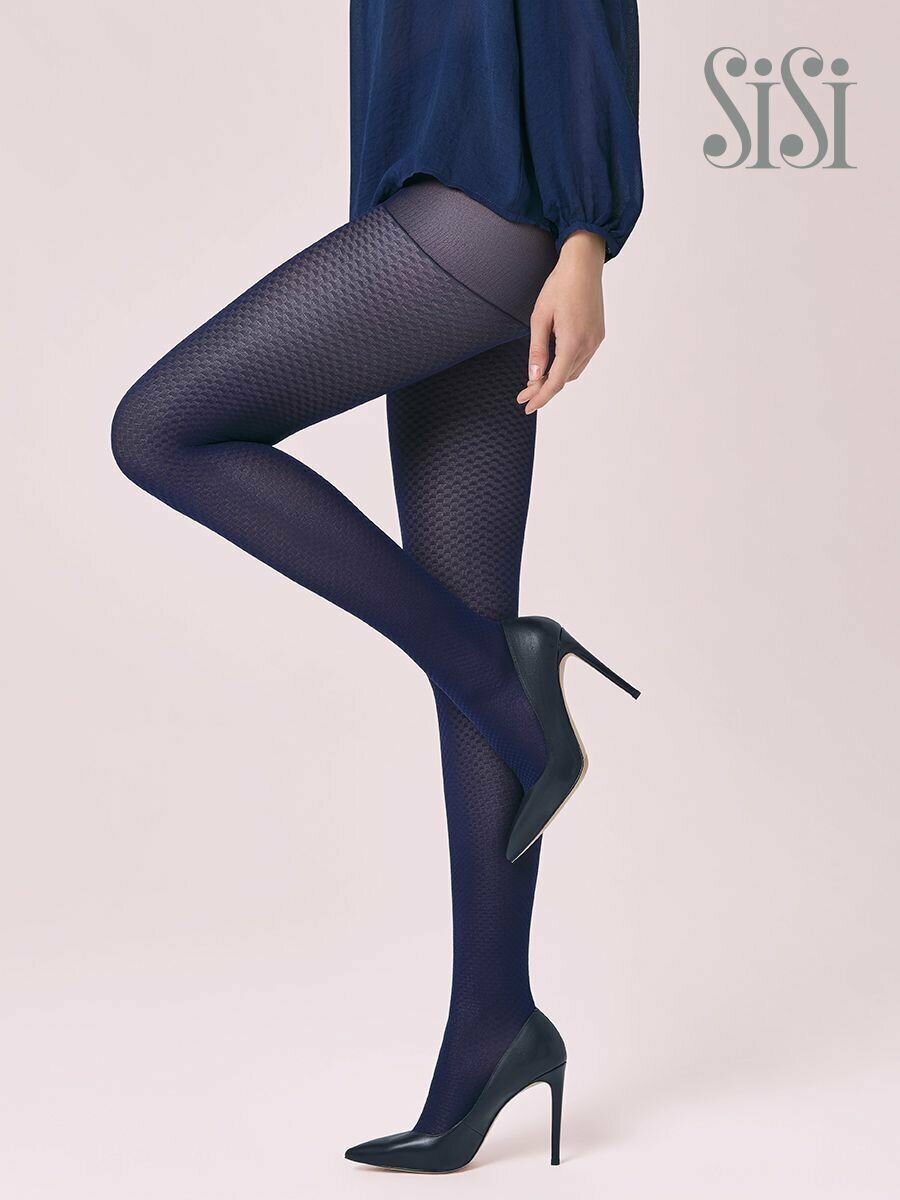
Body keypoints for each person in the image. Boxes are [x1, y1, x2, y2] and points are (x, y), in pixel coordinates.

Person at [111, 0, 643, 1173]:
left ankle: (504, 674)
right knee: (470, 638)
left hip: (485, 216)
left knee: (160, 429)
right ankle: (495, 1023)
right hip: (430, 206)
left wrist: (587, 236)